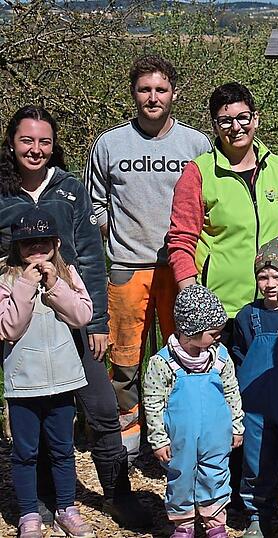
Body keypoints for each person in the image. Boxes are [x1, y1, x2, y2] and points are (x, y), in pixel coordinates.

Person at [0, 105, 142, 527]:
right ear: (12, 142)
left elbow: (92, 257)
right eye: (27, 140)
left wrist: (97, 320)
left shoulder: (69, 188)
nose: (36, 149)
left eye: (44, 141)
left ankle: (117, 495)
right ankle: (42, 501)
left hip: (71, 313)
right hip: (17, 320)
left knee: (100, 406)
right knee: (34, 413)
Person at [85, 55, 211, 463]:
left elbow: (210, 202)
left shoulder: (195, 144)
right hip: (127, 264)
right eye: (145, 90)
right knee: (124, 355)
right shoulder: (110, 143)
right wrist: (114, 234)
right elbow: (95, 204)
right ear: (134, 93)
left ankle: (174, 431)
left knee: (184, 349)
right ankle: (130, 433)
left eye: (160, 89)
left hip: (181, 267)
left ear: (174, 93)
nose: (152, 97)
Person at [167, 81, 278, 323]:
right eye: (225, 121)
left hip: (276, 307)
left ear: (255, 119)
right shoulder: (198, 173)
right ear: (215, 126)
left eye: (243, 118)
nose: (236, 127)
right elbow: (181, 241)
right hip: (219, 311)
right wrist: (193, 299)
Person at [1, 209, 95, 538]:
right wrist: (26, 286)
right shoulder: (6, 279)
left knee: (61, 448)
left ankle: (66, 508)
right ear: (17, 246)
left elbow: (82, 315)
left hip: (64, 380)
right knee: (25, 452)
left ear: (56, 243)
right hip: (24, 384)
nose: (37, 249)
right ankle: (28, 513)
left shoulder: (67, 274)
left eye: (44, 242)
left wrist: (55, 285)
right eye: (29, 243)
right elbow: (9, 328)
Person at [142, 285, 244, 538]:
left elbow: (232, 392)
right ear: (190, 332)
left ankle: (214, 522)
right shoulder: (163, 363)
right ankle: (183, 523)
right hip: (181, 440)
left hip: (215, 436)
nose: (218, 337)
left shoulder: (220, 357)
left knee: (216, 474)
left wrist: (236, 426)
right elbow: (153, 404)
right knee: (181, 477)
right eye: (212, 333)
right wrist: (158, 439)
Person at [231, 237, 278, 537]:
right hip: (254, 404)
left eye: (277, 276)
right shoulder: (247, 316)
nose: (270, 283)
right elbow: (239, 356)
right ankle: (257, 515)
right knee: (256, 460)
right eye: (262, 276)